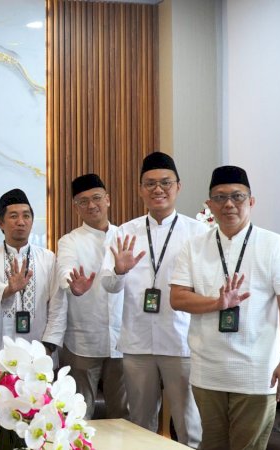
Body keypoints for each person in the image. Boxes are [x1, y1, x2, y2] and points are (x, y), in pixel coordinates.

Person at [170, 165, 280, 449]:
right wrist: (217, 303)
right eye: (220, 197)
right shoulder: (194, 246)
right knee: (211, 445)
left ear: (251, 201)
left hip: (256, 373)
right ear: (209, 204)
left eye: (237, 197)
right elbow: (178, 298)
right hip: (207, 373)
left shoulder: (275, 245)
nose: (228, 204)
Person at [100, 152, 205, 447]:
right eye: (150, 183)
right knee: (140, 423)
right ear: (140, 189)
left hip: (182, 340)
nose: (158, 189)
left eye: (165, 183)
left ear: (178, 187)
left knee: (189, 423)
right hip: (137, 343)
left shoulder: (198, 232)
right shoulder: (124, 232)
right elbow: (108, 285)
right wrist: (119, 271)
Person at [42, 174, 128, 420]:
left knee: (122, 414)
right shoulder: (69, 241)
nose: (91, 205)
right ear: (75, 207)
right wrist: (73, 284)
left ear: (108, 200)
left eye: (97, 198)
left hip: (121, 339)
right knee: (79, 414)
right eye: (83, 201)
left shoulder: (125, 235)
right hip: (82, 342)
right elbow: (65, 270)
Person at [0, 189, 57, 370]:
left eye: (26, 216)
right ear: (0, 223)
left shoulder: (48, 258)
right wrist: (9, 290)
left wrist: (49, 346)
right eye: (13, 216)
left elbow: (58, 306)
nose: (21, 222)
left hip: (38, 354)